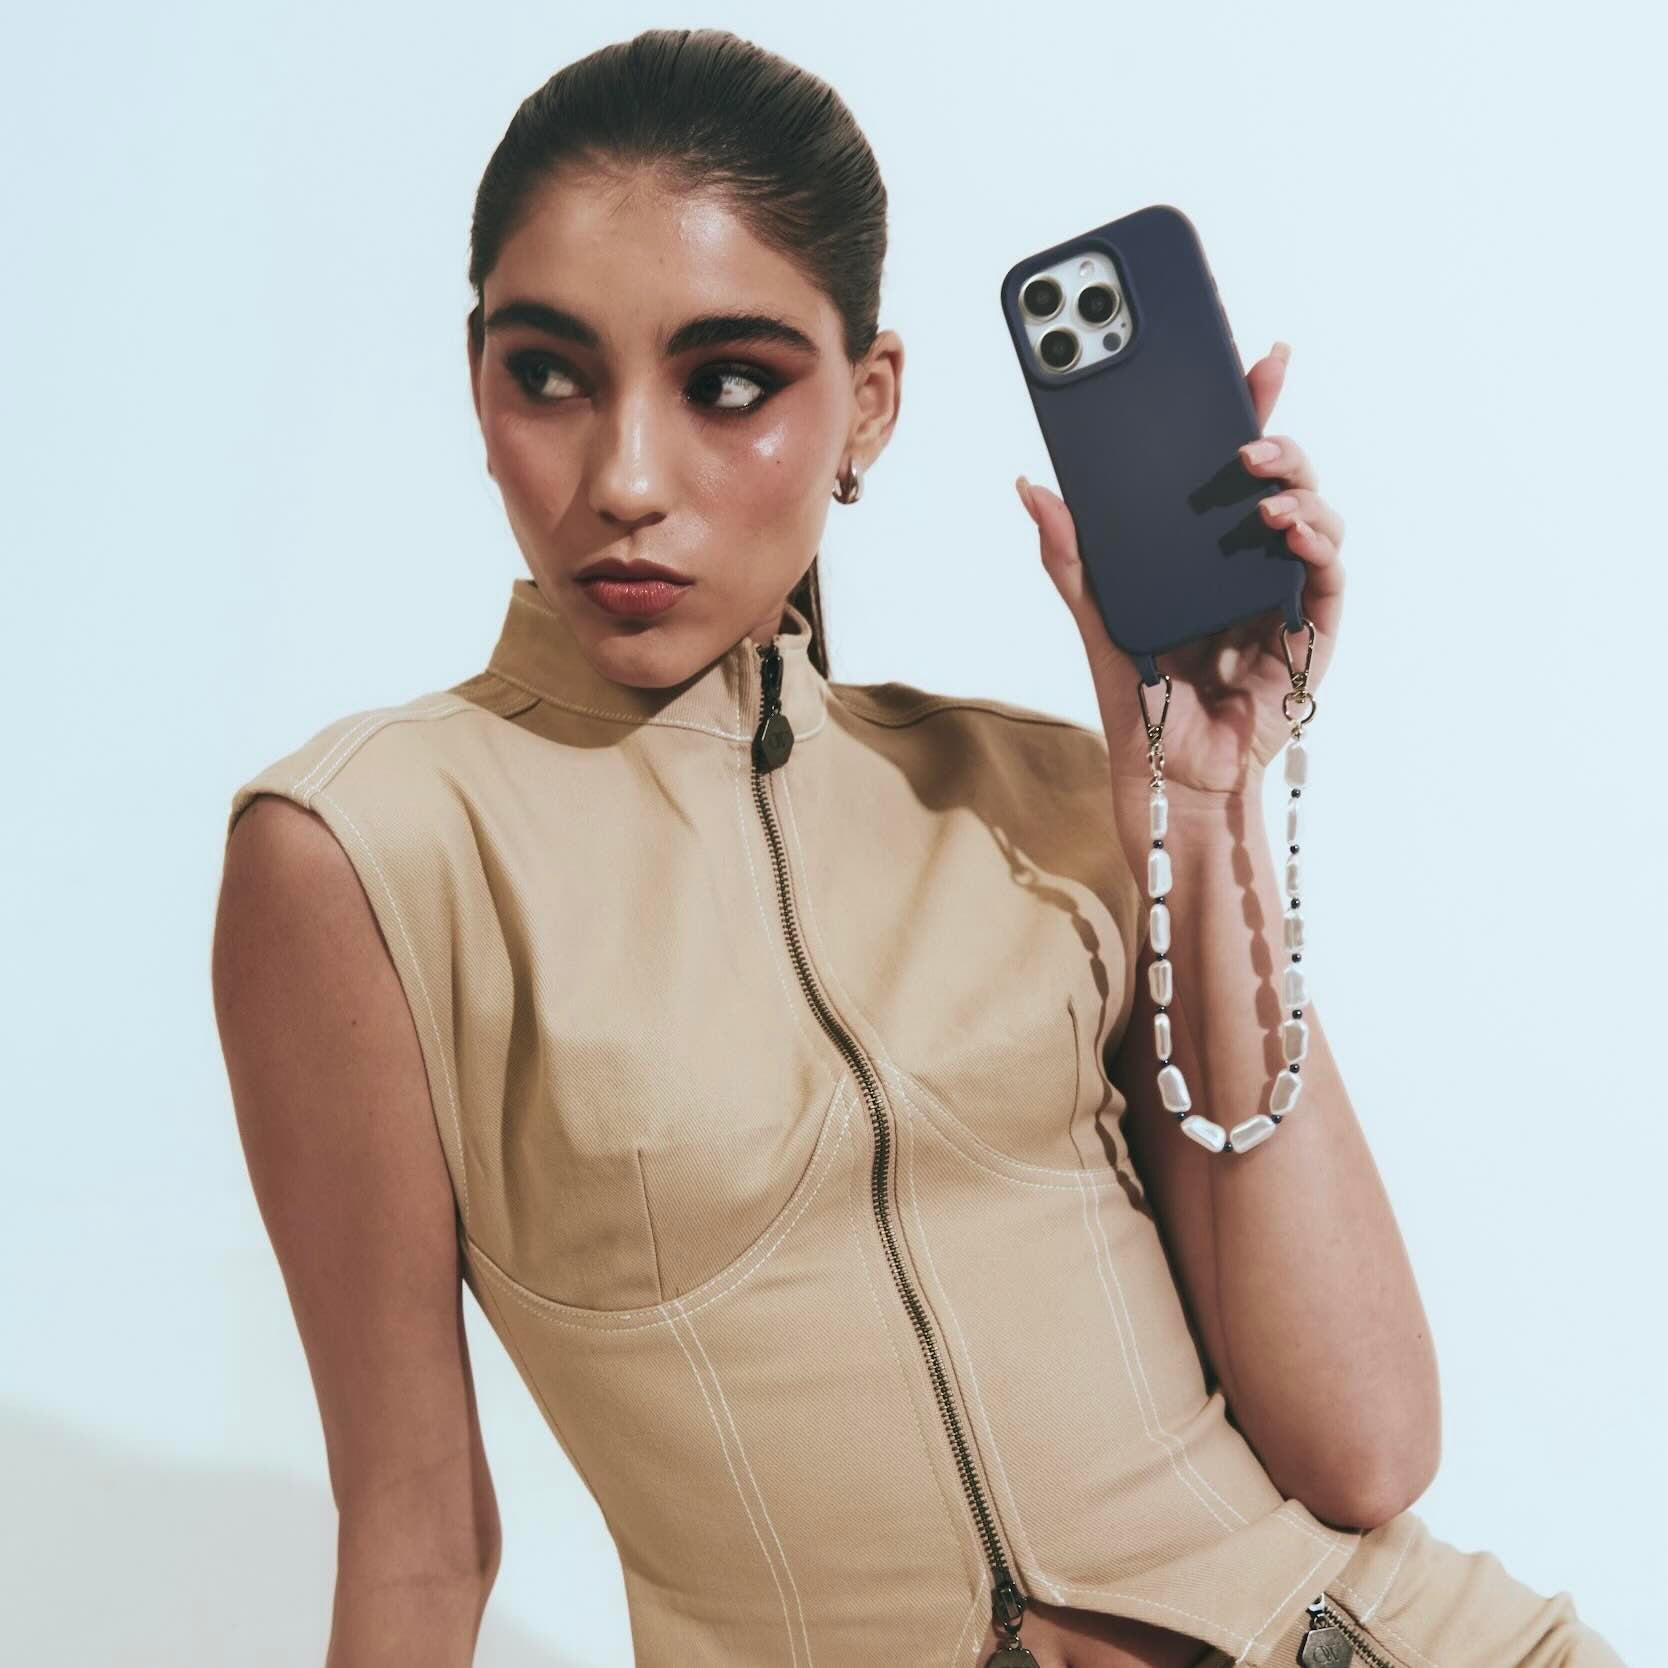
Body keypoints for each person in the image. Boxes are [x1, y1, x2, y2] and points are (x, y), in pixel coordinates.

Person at [211, 28, 1628, 1668]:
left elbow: (1364, 1442)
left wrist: (1203, 811)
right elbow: (418, 1529)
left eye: (728, 383)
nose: (626, 477)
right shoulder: (365, 852)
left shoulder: (1032, 793)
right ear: (478, 385)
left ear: (868, 406)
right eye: (551, 374)